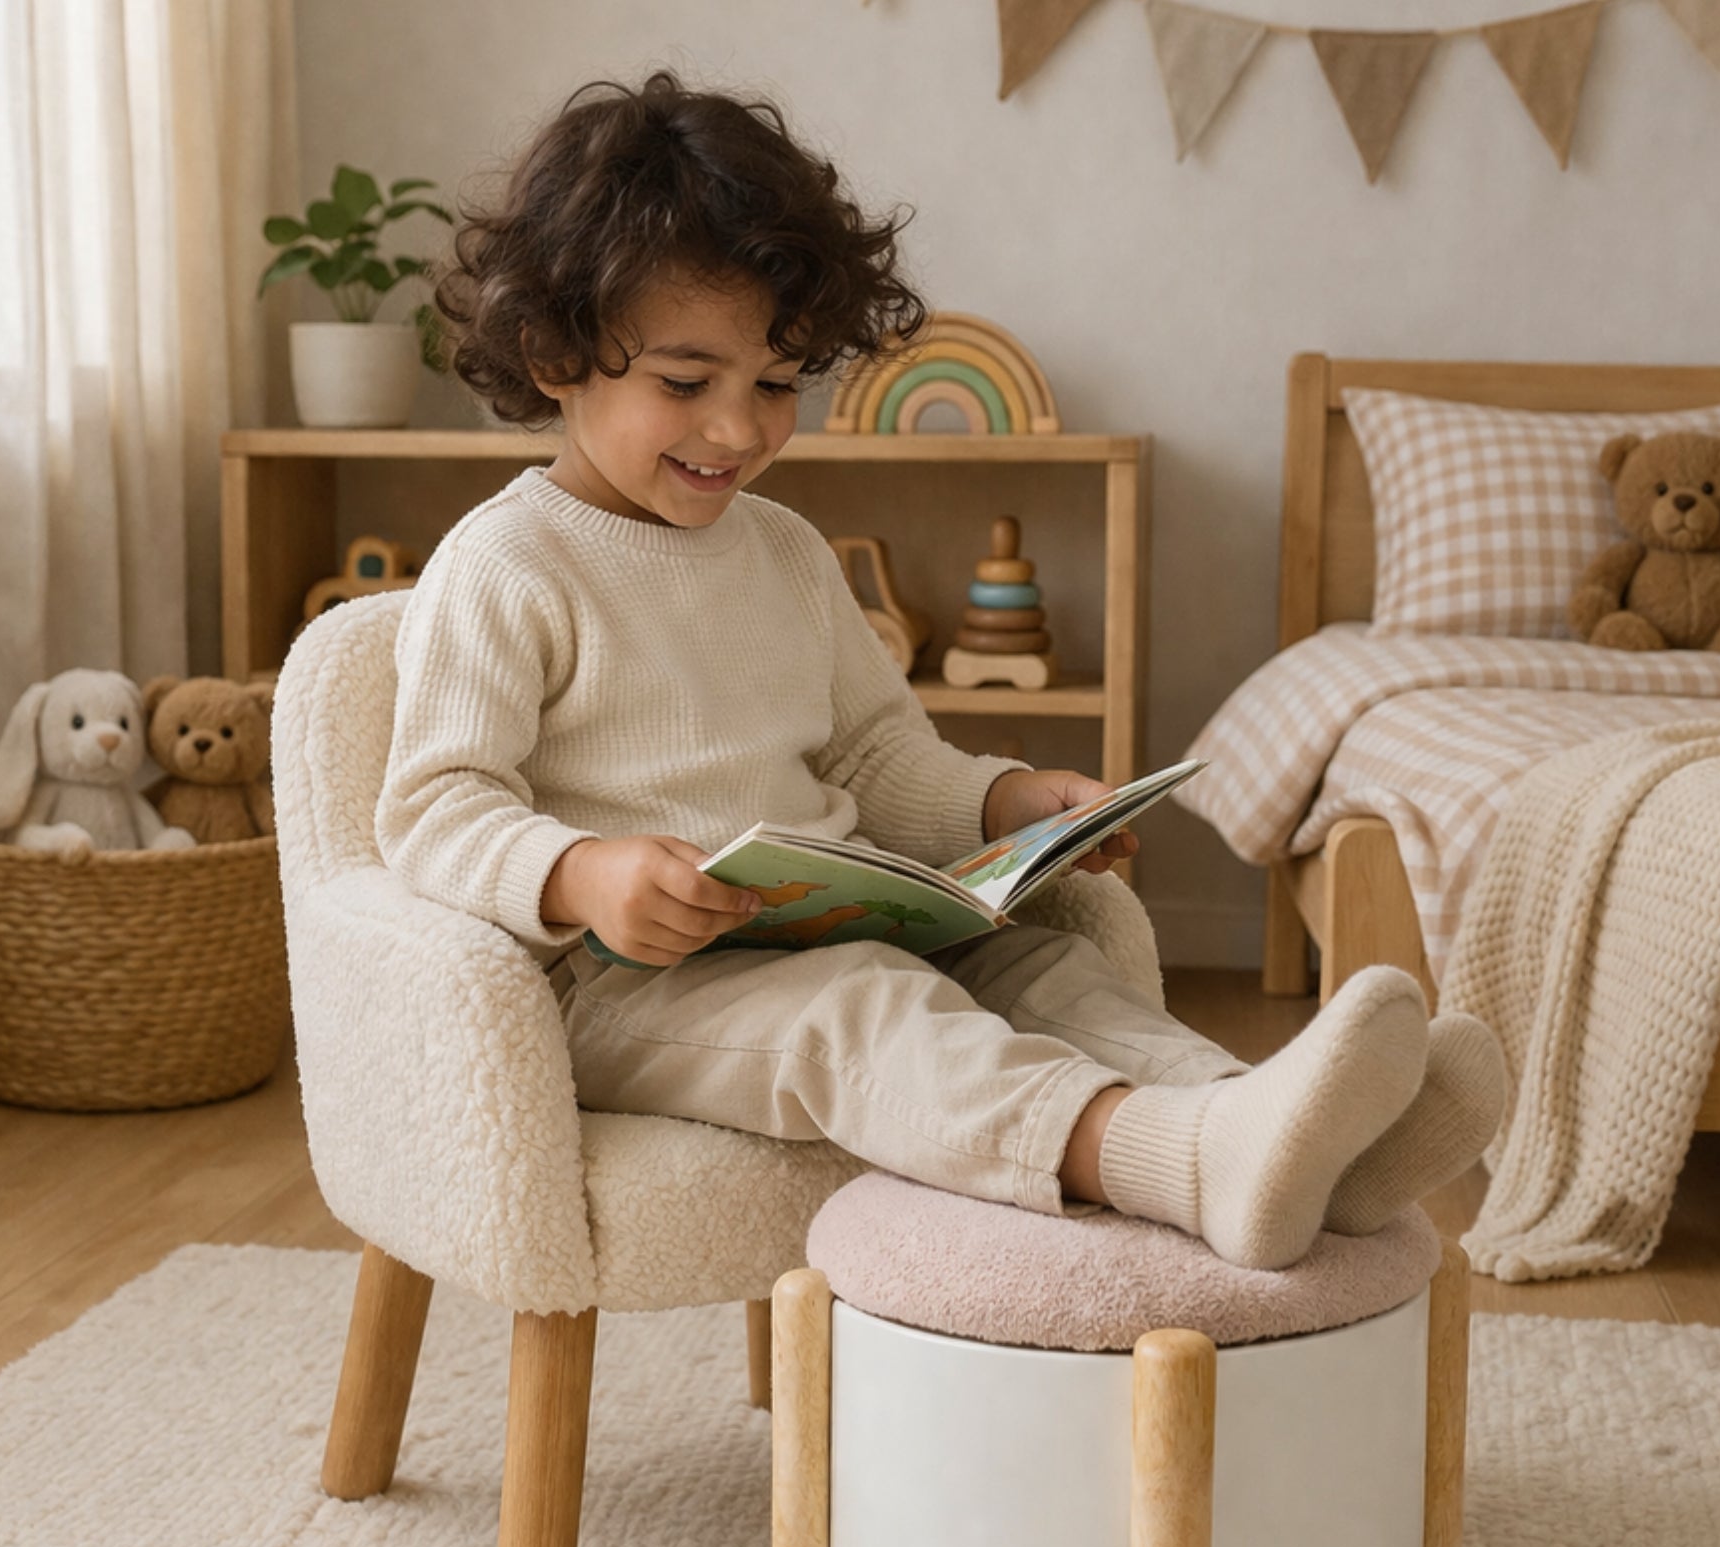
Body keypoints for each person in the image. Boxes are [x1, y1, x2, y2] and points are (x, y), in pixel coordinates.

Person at [376, 71, 1503, 1271]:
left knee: (1041, 964)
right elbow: (432, 808)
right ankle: (1173, 1159)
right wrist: (579, 872)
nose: (739, 430)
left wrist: (1007, 802)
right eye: (685, 383)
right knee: (863, 1012)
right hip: (626, 989)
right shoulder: (508, 562)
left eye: (775, 384)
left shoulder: (785, 552)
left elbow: (873, 755)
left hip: (818, 934)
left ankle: (1277, 1131)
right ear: (553, 351)